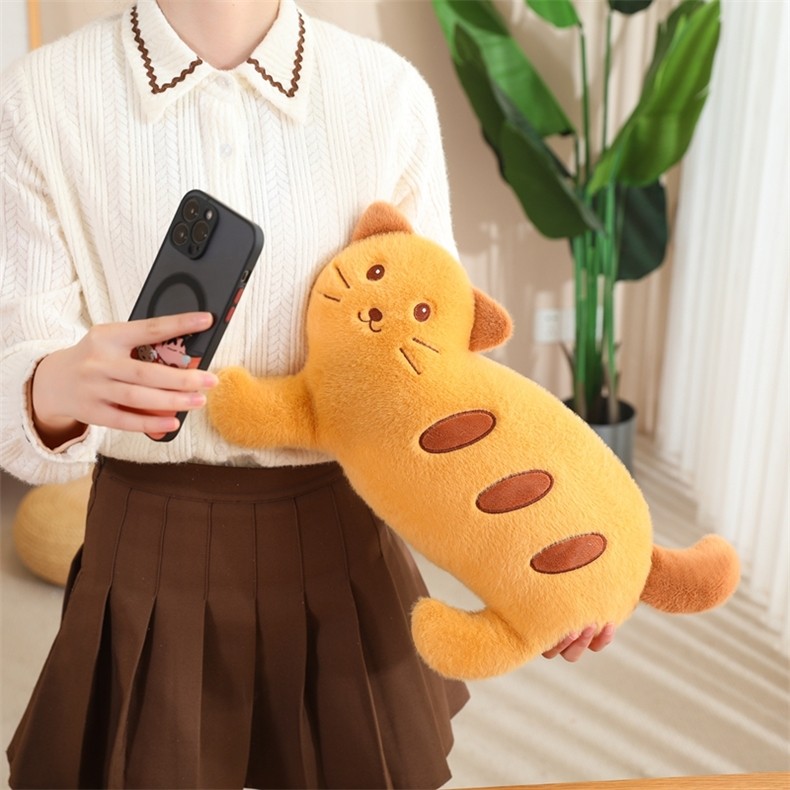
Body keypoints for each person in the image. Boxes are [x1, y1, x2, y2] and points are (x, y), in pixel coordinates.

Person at [0, 1, 614, 787]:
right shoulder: (41, 98)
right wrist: (52, 383)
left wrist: (548, 555)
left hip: (339, 537)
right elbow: (20, 362)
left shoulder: (386, 94)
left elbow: (434, 380)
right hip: (145, 543)